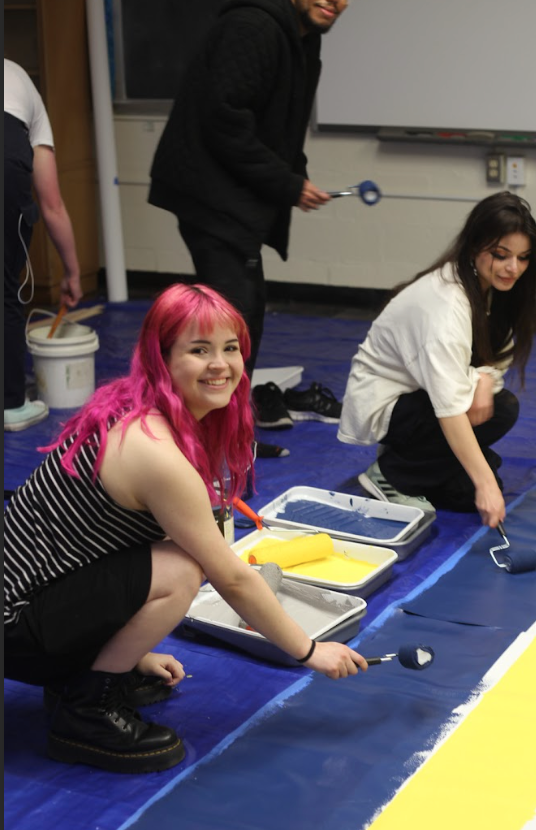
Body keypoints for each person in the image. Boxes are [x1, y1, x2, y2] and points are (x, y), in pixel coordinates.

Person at [4, 284, 367, 775]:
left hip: (33, 599)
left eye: (230, 348)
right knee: (183, 565)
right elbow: (231, 577)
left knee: (176, 552)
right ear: (163, 358)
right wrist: (308, 650)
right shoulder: (154, 450)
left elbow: (102, 553)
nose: (221, 364)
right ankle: (85, 710)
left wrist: (133, 652)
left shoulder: (140, 407)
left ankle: (95, 670)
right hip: (16, 624)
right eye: (199, 350)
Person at [148, 0, 354, 448]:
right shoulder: (255, 27)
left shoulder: (303, 39)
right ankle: (197, 438)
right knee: (228, 325)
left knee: (242, 317)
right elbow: (226, 124)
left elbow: (283, 127)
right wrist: (287, 185)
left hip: (230, 196)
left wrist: (296, 176)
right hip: (207, 192)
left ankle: (224, 433)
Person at [338, 192, 536, 529]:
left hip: (426, 395)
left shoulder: (495, 288)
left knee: (470, 491)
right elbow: (449, 407)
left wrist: (484, 378)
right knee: (503, 411)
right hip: (389, 406)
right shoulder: (445, 305)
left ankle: (416, 464)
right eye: (501, 255)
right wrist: (483, 483)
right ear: (474, 246)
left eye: (523, 258)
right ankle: (390, 475)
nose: (514, 268)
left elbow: (493, 361)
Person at [4, 59, 83, 432]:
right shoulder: (20, 79)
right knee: (5, 288)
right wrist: (72, 272)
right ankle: (11, 405)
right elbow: (52, 205)